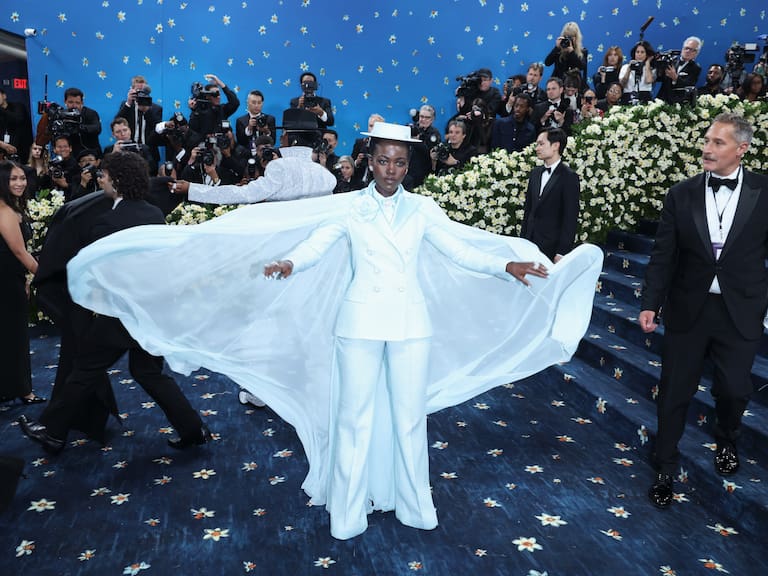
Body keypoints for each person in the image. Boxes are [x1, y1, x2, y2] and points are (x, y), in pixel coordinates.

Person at [261, 121, 596, 539]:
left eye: (399, 162)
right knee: (353, 419)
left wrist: (504, 265)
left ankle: (415, 505)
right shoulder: (349, 208)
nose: (391, 169)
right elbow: (317, 244)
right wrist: (291, 262)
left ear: (407, 166)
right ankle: (347, 514)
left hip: (410, 324)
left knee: (408, 419)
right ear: (370, 161)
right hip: (360, 323)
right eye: (383, 160)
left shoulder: (422, 209)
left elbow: (460, 251)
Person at [18, 151, 212, 453]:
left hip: (122, 315)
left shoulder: (106, 223)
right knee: (148, 372)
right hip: (152, 311)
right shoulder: (153, 214)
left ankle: (52, 432)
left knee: (84, 370)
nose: (101, 180)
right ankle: (193, 428)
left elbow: (98, 274)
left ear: (117, 182)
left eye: (104, 176)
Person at [639, 113, 768, 508]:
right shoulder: (681, 193)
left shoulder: (765, 191)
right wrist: (650, 303)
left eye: (717, 143)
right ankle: (664, 465)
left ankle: (727, 439)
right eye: (706, 140)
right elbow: (664, 255)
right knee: (673, 393)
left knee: (733, 389)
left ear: (742, 149)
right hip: (687, 309)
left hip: (740, 311)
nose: (706, 149)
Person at [172, 109, 336, 204]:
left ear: (292, 139)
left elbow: (244, 194)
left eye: (283, 134)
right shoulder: (325, 174)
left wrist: (192, 189)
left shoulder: (279, 166)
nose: (280, 138)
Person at [0, 160, 46, 405]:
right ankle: (23, 391)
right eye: (12, 179)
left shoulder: (11, 207)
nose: (19, 183)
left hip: (11, 278)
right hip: (5, 281)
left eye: (21, 178)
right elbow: (20, 252)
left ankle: (11, 388)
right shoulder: (4, 211)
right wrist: (44, 274)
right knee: (14, 336)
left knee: (10, 336)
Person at [521, 128, 580, 262]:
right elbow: (528, 210)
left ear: (555, 146)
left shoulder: (569, 177)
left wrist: (562, 251)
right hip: (529, 245)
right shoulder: (535, 173)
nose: (537, 148)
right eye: (537, 144)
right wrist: (522, 242)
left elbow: (570, 217)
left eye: (541, 144)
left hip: (551, 248)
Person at [656, 36, 702, 104]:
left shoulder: (696, 68)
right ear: (682, 48)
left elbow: (689, 85)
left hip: (678, 102)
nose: (688, 51)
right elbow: (659, 78)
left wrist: (675, 78)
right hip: (662, 99)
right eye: (687, 48)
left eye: (692, 50)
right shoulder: (671, 61)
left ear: (696, 53)